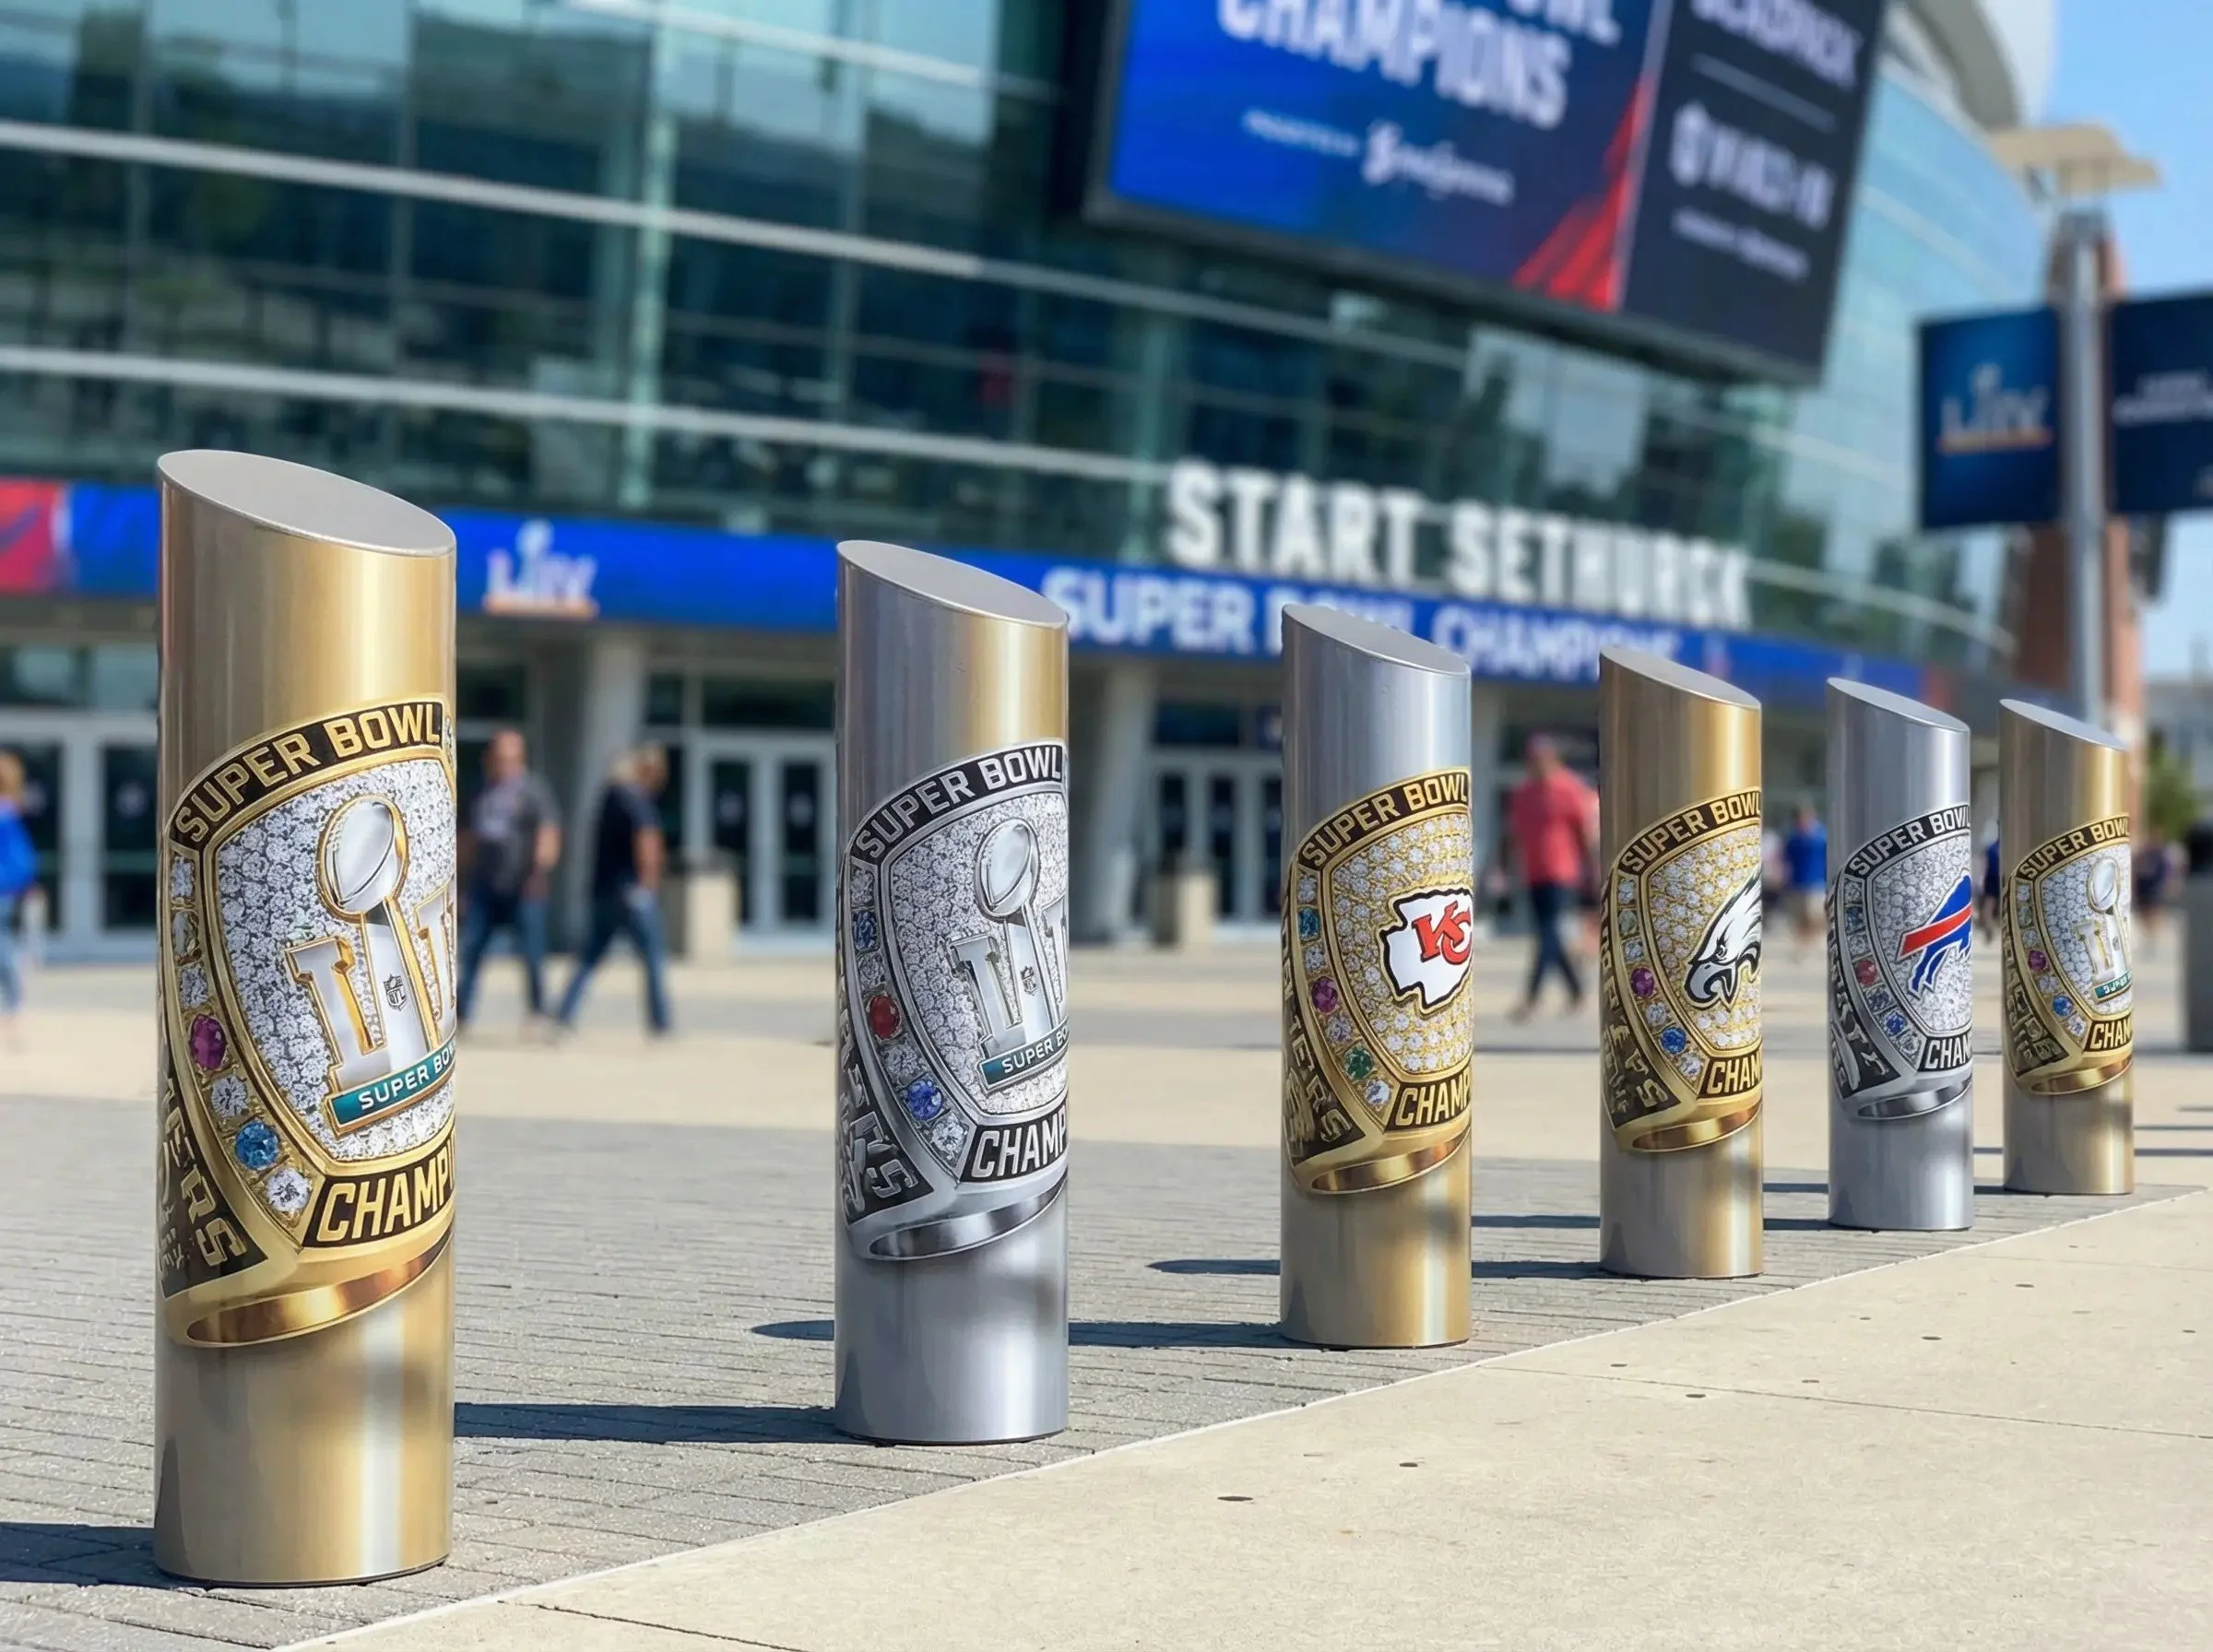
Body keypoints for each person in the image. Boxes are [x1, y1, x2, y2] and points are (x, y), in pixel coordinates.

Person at [557, 743, 672, 1035]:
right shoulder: (636, 800)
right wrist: (649, 886)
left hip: (603, 891)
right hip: (631, 892)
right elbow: (647, 843)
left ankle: (564, 1015)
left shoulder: (609, 798)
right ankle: (660, 1023)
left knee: (589, 958)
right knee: (653, 959)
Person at [456, 727, 562, 1032]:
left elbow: (548, 833)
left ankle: (538, 1013)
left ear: (520, 759)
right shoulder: (480, 792)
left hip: (523, 884)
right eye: (498, 758)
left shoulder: (533, 791)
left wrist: (539, 872)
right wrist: (460, 883)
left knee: (531, 951)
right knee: (472, 949)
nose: (502, 764)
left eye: (509, 758)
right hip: (485, 885)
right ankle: (462, 1014)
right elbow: (468, 839)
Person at [1505, 734, 1598, 1020]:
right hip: (1533, 873)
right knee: (1550, 933)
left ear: (1555, 760)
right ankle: (1576, 990)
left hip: (1562, 872)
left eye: (1543, 760)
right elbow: (1513, 835)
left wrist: (1591, 870)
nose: (1537, 766)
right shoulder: (1523, 794)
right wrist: (1506, 867)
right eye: (1533, 760)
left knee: (1546, 932)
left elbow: (1584, 833)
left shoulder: (1569, 789)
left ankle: (1531, 996)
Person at [0, 750, 34, 1042]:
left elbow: (19, 861)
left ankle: (13, 1009)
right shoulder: (10, 813)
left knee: (5, 947)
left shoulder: (4, 816)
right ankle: (13, 1009)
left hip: (4, 892)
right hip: (8, 891)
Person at [1782, 803, 1828, 957]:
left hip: (1817, 882)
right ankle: (1803, 945)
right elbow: (1787, 860)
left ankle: (1815, 941)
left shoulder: (1821, 836)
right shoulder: (1794, 838)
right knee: (1800, 917)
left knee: (1815, 914)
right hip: (1797, 882)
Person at [2135, 831, 2173, 957]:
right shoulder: (2142, 855)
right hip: (2144, 891)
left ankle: (2153, 939)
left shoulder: (2162, 857)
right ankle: (2150, 937)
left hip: (2155, 891)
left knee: (2154, 915)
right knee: (2144, 917)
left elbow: (2166, 874)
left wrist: (2165, 887)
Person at [1977, 835, 2003, 940]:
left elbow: (1984, 865)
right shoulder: (2004, 848)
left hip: (1991, 879)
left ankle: (1989, 928)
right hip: (1999, 878)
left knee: (1989, 904)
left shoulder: (1991, 848)